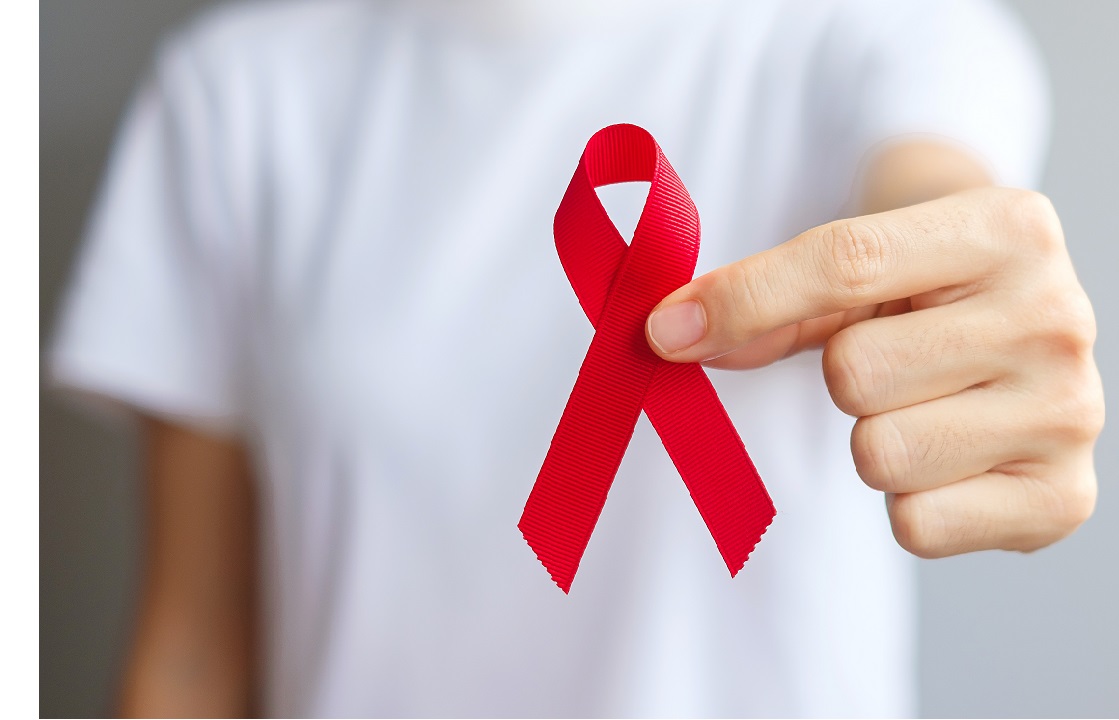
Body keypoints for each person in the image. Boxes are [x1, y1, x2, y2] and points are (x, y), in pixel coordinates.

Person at [49, 0, 1103, 716]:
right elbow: (192, 646)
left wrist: (971, 292)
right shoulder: (235, 98)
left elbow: (935, 194)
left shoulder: (878, 35)